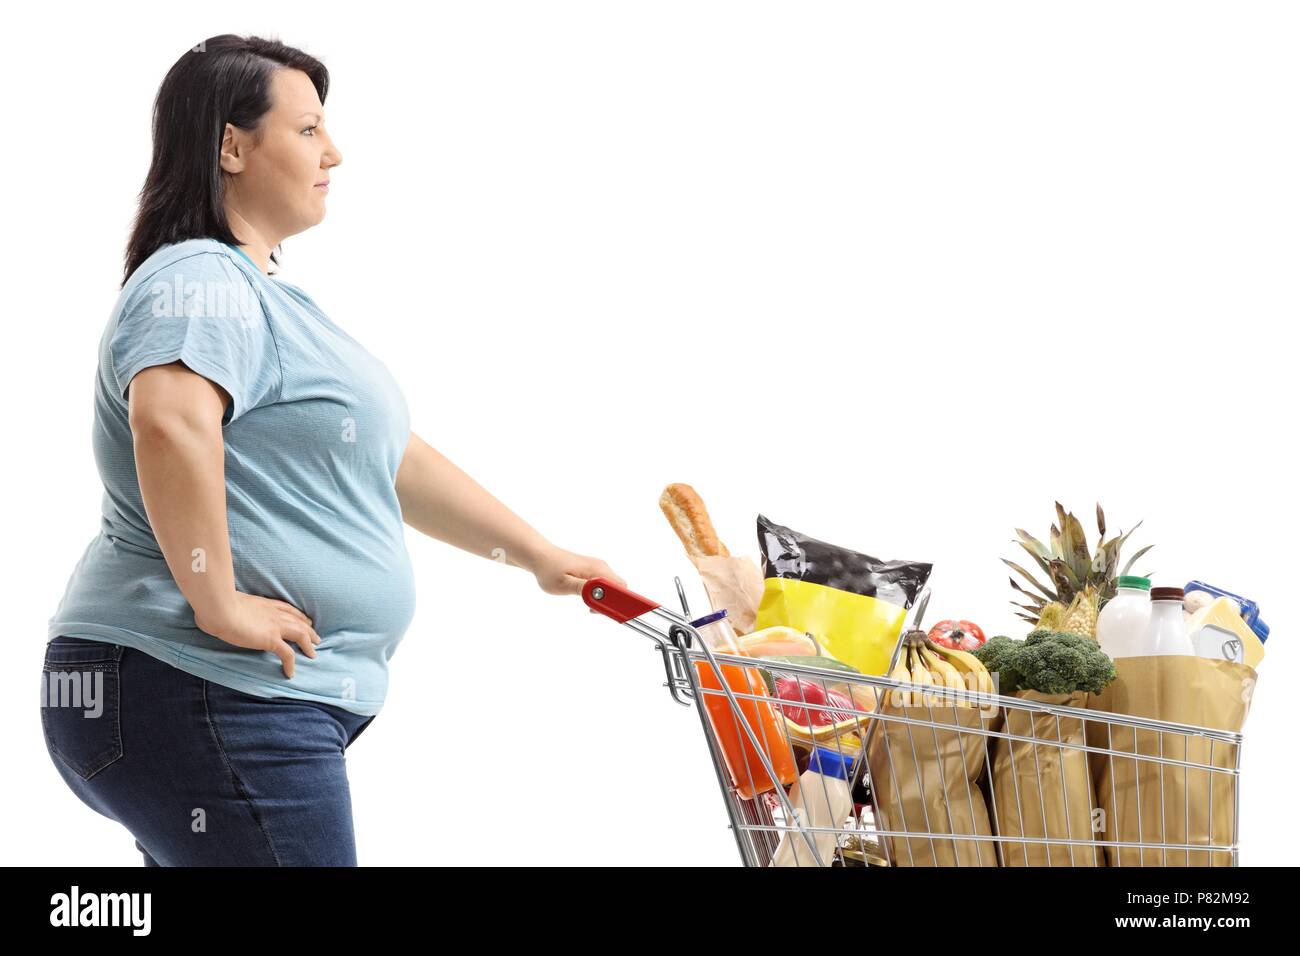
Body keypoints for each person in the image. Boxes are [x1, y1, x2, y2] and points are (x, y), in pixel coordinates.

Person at [41, 34, 624, 866]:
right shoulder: (199, 280)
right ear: (231, 146)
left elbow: (391, 459)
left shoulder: (266, 298)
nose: (335, 153)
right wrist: (220, 604)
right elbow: (169, 424)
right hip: (202, 684)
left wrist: (539, 555)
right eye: (308, 129)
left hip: (219, 698)